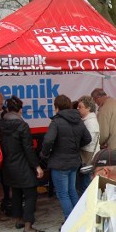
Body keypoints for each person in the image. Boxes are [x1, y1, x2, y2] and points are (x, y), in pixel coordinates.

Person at [41, 94, 91, 222]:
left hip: (59, 164)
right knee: (72, 191)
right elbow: (88, 138)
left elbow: (47, 141)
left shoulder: (56, 122)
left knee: (63, 194)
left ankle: (70, 222)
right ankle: (80, 219)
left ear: (57, 107)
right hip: (74, 161)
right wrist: (75, 146)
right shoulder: (78, 120)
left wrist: (44, 154)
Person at [0, 96, 45, 232]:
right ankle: (28, 226)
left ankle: (18, 220)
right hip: (23, 164)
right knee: (31, 194)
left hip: (8, 164)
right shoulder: (22, 125)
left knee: (17, 193)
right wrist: (37, 166)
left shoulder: (2, 124)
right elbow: (28, 148)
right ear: (20, 110)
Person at [77, 95, 100, 195]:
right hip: (88, 155)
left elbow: (88, 141)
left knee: (85, 184)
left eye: (80, 106)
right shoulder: (87, 121)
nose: (77, 108)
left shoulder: (91, 122)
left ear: (88, 108)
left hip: (88, 156)